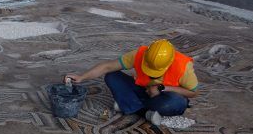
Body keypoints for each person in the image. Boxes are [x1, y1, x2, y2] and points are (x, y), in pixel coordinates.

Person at [65, 39, 198, 126]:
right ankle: (144, 112)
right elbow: (108, 67)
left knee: (176, 102)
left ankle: (130, 105)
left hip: (164, 97)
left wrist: (162, 88)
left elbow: (193, 93)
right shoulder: (140, 54)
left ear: (169, 63)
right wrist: (82, 77)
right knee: (112, 76)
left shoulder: (183, 65)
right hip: (143, 90)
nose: (151, 74)